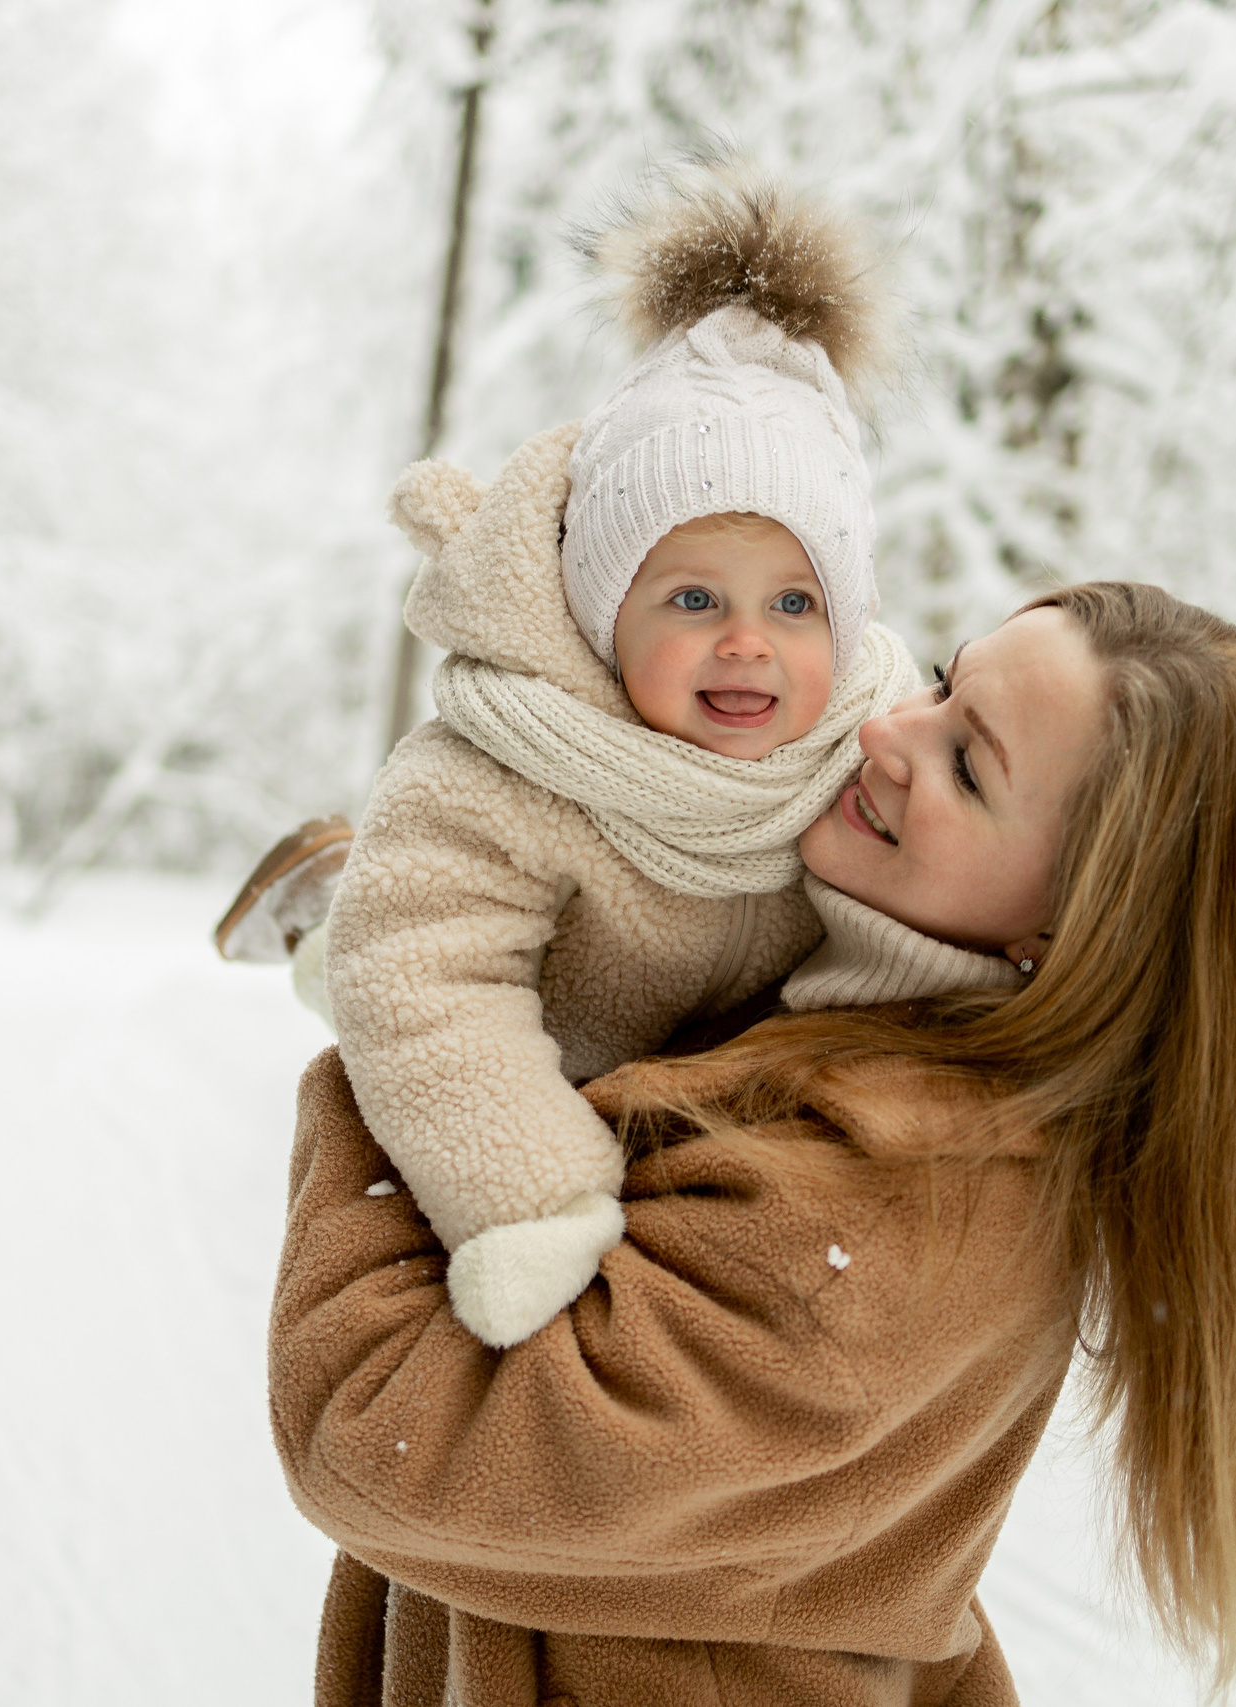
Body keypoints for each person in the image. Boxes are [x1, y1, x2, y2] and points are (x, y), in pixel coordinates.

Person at [271, 582, 1236, 1706]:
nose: (884, 730)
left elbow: (383, 1434)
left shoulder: (893, 1217)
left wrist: (403, 1013)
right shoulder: (833, 1018)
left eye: (967, 766)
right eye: (941, 683)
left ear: (1078, 925)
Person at [221, 166, 920, 1349]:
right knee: (373, 955)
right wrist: (530, 1197)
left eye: (795, 601)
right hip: (530, 998)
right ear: (605, 615)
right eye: (693, 596)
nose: (747, 641)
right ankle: (321, 907)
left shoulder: (871, 745)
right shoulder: (504, 762)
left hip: (683, 1062)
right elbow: (430, 986)